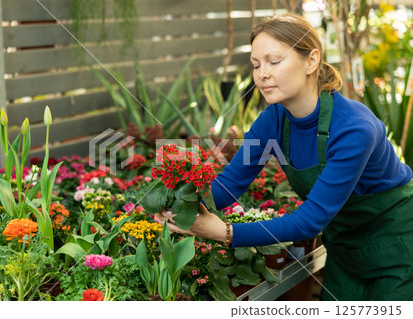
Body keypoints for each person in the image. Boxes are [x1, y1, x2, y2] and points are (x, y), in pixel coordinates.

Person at [156, 13, 413, 301]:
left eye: (274, 61)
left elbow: (310, 221)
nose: (261, 74)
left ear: (311, 60)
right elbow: (228, 186)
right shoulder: (274, 119)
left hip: (398, 248)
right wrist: (179, 203)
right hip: (344, 251)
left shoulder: (354, 128)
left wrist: (227, 233)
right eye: (256, 65)